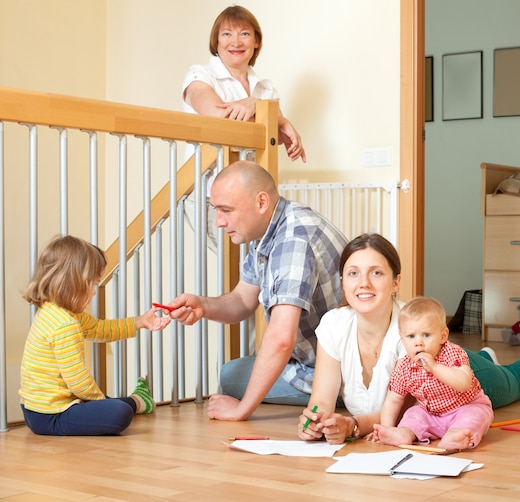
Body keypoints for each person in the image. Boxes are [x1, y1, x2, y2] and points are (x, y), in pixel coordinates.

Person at [298, 233, 520, 444]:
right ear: (343, 282)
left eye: (377, 273)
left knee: (518, 380)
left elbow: (405, 406)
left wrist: (353, 426)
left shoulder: (408, 334)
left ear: (396, 282)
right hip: (438, 387)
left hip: (461, 382)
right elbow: (321, 399)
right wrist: (316, 421)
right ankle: (488, 357)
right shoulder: (333, 325)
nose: (364, 283)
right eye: (353, 273)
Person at [169, 160, 348, 421]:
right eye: (215, 209)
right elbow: (242, 300)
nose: (218, 221)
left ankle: (343, 398)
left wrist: (241, 411)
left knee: (231, 377)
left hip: (337, 370)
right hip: (309, 360)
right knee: (232, 373)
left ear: (261, 202)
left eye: (226, 210)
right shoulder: (270, 231)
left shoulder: (292, 240)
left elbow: (281, 339)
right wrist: (202, 305)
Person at [19, 235, 170, 436]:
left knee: (106, 405)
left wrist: (140, 321)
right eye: (92, 284)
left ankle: (132, 400)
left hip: (34, 409)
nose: (94, 293)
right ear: (72, 282)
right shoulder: (64, 325)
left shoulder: (53, 312)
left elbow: (101, 329)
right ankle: (137, 401)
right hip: (52, 415)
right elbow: (78, 381)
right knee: (118, 411)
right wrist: (102, 403)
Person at [182, 5, 306, 249]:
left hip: (253, 195)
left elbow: (274, 137)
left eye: (244, 34)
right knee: (236, 266)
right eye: (226, 34)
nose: (235, 41)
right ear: (215, 41)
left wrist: (257, 106)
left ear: (256, 41)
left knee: (258, 263)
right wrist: (276, 118)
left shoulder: (265, 89)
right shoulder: (200, 75)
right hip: (209, 195)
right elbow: (221, 120)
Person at [372, 296, 493, 452]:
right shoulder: (404, 367)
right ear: (402, 338)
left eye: (426, 335)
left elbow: (464, 383)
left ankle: (455, 436)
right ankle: (403, 433)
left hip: (465, 406)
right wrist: (385, 428)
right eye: (410, 336)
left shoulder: (452, 353)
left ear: (443, 336)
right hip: (431, 414)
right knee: (413, 414)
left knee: (476, 416)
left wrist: (435, 367)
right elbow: (393, 400)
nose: (418, 342)